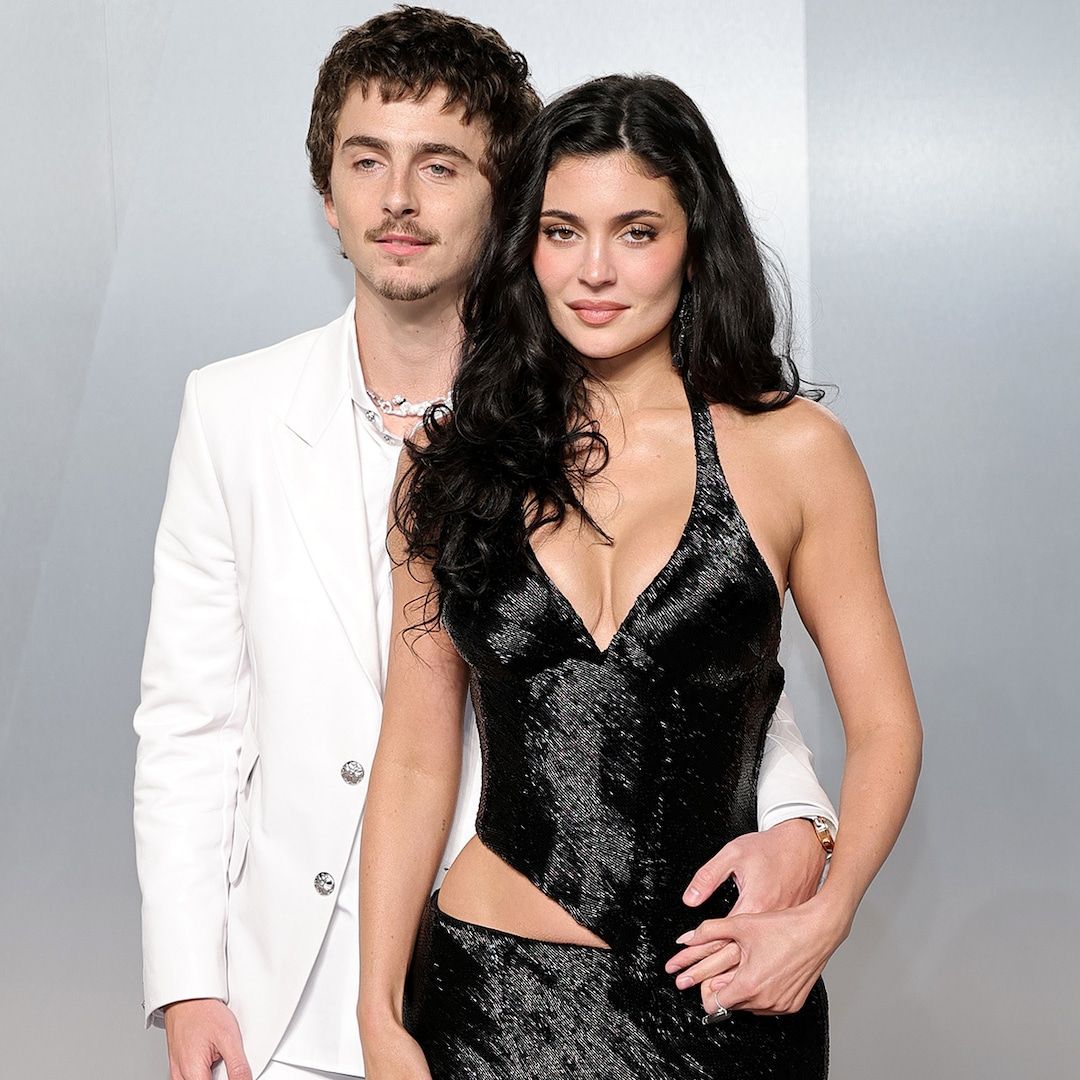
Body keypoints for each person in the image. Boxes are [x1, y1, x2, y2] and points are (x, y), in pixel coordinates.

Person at [133, 11, 838, 1080]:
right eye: (365, 161)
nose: (398, 199)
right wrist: (190, 980)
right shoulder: (229, 412)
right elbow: (189, 720)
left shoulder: (600, 414)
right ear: (326, 191)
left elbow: (699, 657)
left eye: (440, 165)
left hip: (522, 956)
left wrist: (801, 822)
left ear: (506, 197)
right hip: (285, 996)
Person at [357, 72, 922, 1078]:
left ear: (695, 242)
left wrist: (826, 916)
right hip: (486, 1000)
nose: (594, 271)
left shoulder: (796, 453)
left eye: (636, 232)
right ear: (525, 246)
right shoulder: (450, 462)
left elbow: (885, 726)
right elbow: (412, 755)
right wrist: (375, 1010)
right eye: (562, 231)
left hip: (718, 1000)